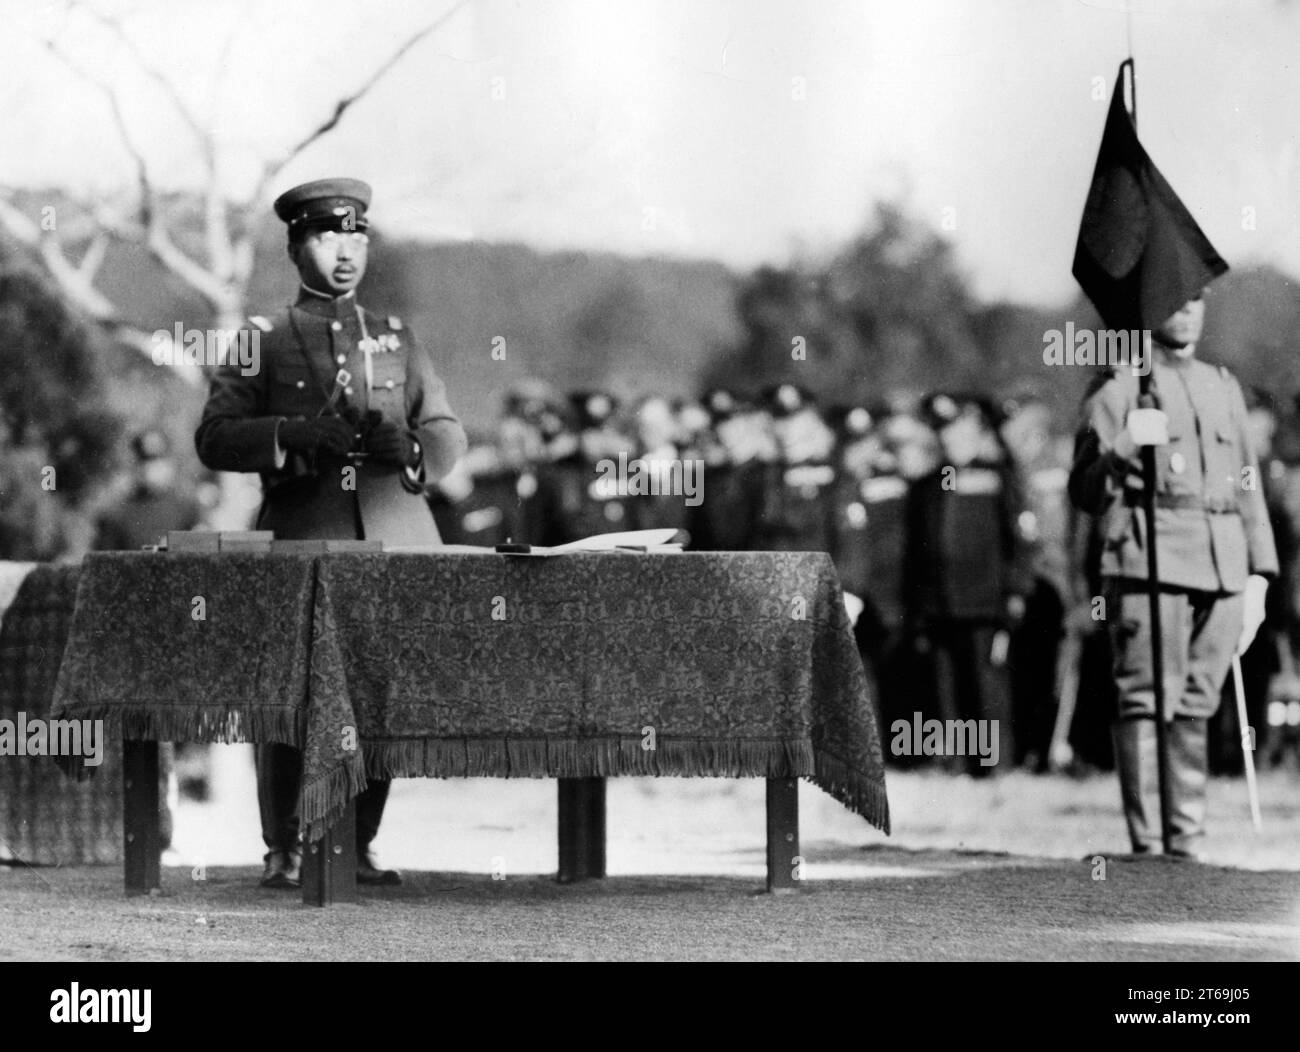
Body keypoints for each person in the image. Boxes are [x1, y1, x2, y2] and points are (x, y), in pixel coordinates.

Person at [195, 178, 468, 888]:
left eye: (356, 237)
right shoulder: (261, 340)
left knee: (380, 694)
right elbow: (216, 438)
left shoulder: (399, 338)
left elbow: (446, 430)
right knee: (287, 694)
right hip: (302, 532)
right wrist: (289, 433)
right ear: (295, 247)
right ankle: (284, 844)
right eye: (326, 237)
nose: (345, 253)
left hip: (396, 534)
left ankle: (358, 838)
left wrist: (410, 452)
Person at [1069, 293, 1277, 859]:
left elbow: (1247, 481)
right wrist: (1125, 445)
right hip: (1149, 559)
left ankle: (1185, 846)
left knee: (1197, 702)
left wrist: (1259, 574)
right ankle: (1149, 847)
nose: (1187, 310)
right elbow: (1084, 490)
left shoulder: (1223, 384)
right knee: (1144, 698)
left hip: (1223, 561)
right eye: (1172, 299)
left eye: (1197, 298)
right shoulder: (1118, 385)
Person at [904, 393, 1033, 775]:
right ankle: (956, 763)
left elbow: (1021, 541)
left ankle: (991, 764)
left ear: (975, 431)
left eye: (957, 429)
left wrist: (1015, 592)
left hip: (984, 601)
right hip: (939, 603)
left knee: (984, 685)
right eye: (943, 431)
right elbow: (915, 550)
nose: (949, 439)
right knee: (947, 689)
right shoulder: (927, 485)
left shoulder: (997, 478)